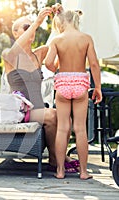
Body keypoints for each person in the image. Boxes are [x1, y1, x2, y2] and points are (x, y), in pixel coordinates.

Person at [2, 5, 79, 172]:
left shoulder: (39, 54)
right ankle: (54, 159)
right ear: (15, 33)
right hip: (20, 111)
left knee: (65, 117)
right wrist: (37, 21)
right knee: (52, 115)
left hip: (37, 109)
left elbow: (59, 38)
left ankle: (61, 155)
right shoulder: (9, 55)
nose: (32, 30)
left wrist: (57, 17)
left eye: (32, 27)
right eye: (27, 27)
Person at [45, 7, 102, 179]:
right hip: (80, 83)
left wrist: (56, 67)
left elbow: (48, 63)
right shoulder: (86, 38)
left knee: (62, 129)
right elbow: (93, 65)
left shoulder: (57, 40)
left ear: (61, 22)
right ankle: (84, 172)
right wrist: (97, 87)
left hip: (62, 82)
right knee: (80, 129)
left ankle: (60, 170)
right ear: (76, 20)